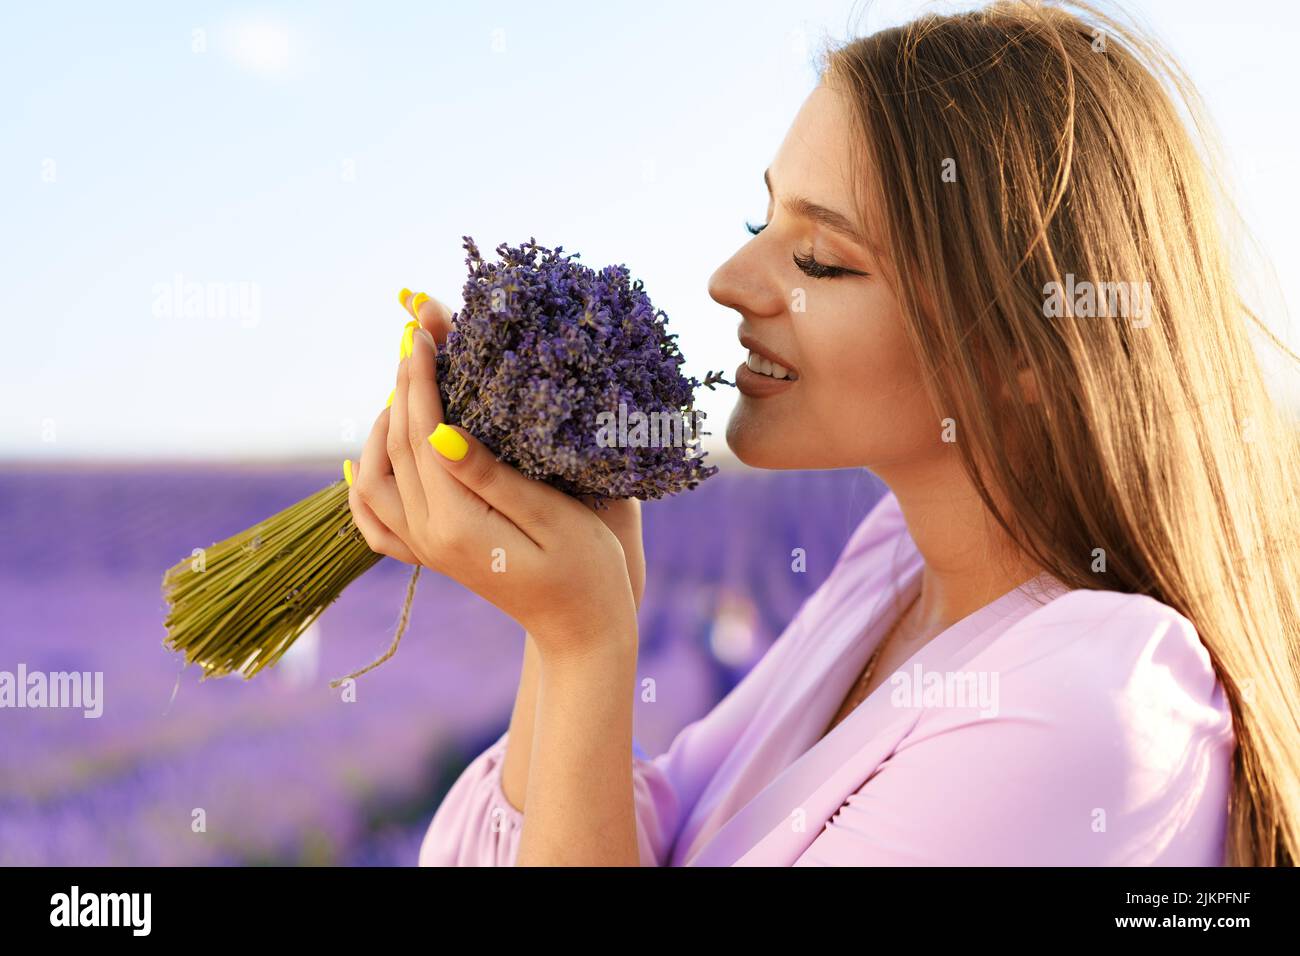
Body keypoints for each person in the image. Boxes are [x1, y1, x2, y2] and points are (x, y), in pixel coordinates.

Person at [346, 1, 1300, 865]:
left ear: (1026, 348)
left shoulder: (1089, 710)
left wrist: (585, 644)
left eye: (819, 258)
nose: (728, 278)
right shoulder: (896, 568)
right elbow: (623, 832)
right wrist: (580, 598)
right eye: (760, 217)